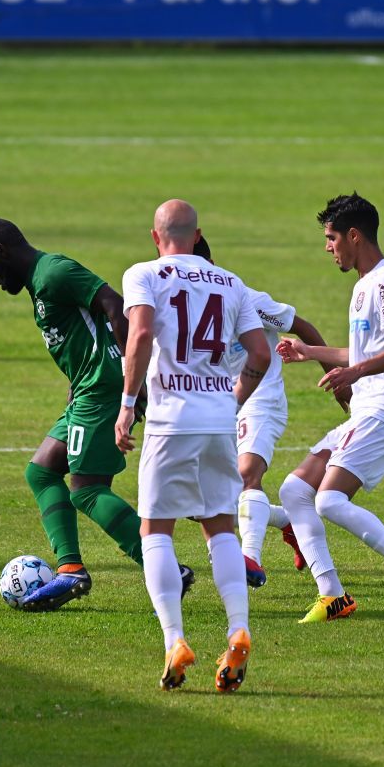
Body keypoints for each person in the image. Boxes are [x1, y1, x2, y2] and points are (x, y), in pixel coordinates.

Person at [0, 218, 193, 612]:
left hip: (105, 387)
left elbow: (114, 305)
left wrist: (132, 381)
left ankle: (166, 570)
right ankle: (71, 566)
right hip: (86, 391)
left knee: (87, 489)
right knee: (41, 471)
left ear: (2, 252)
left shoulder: (54, 271)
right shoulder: (40, 285)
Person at [115, 200, 270, 692]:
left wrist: (127, 404)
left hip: (169, 421)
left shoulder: (143, 273)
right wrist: (232, 395)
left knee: (155, 529)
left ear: (156, 237)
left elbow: (140, 334)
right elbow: (260, 353)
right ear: (198, 235)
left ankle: (174, 639)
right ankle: (237, 629)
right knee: (220, 525)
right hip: (219, 420)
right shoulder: (232, 282)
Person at [275, 192, 384, 625]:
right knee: (295, 491)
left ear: (355, 235)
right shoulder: (362, 286)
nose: (328, 246)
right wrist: (309, 351)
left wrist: (355, 374)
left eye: (332, 237)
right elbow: (361, 351)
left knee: (329, 501)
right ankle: (332, 595)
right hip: (369, 406)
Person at [189, 236, 341, 588]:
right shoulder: (178, 303)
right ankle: (287, 522)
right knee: (206, 498)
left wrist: (334, 376)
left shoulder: (245, 297)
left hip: (260, 397)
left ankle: (250, 561)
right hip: (213, 404)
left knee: (245, 475)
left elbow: (301, 327)